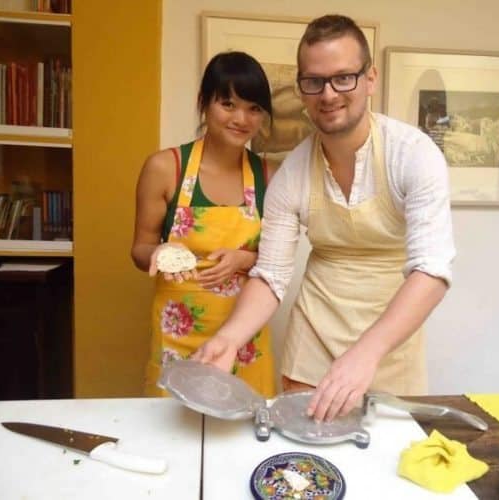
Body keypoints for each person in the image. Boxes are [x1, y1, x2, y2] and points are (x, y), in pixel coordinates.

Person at [192, 15, 455, 421]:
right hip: (314, 340)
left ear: (370, 79)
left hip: (390, 343)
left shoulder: (413, 155)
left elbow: (431, 271)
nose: (328, 94)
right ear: (302, 89)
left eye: (343, 78)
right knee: (309, 463)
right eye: (314, 81)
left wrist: (364, 354)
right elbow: (271, 275)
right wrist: (228, 339)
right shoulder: (293, 172)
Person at [131, 51, 276, 398]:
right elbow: (139, 249)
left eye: (254, 108)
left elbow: (277, 263)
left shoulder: (268, 176)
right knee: (173, 431)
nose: (242, 118)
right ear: (204, 104)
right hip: (177, 334)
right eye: (228, 104)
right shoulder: (166, 168)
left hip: (245, 337)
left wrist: (245, 260)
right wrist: (160, 252)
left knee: (240, 434)